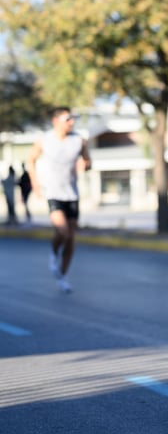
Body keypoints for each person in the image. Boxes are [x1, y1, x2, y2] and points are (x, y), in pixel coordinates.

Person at [27, 107, 92, 294]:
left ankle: (62, 276)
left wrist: (85, 164)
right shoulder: (44, 140)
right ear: (56, 121)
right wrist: (35, 182)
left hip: (72, 193)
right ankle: (54, 252)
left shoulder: (79, 141)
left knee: (71, 237)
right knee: (62, 231)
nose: (72, 122)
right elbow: (30, 159)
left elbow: (88, 162)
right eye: (68, 119)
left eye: (73, 119)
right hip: (53, 192)